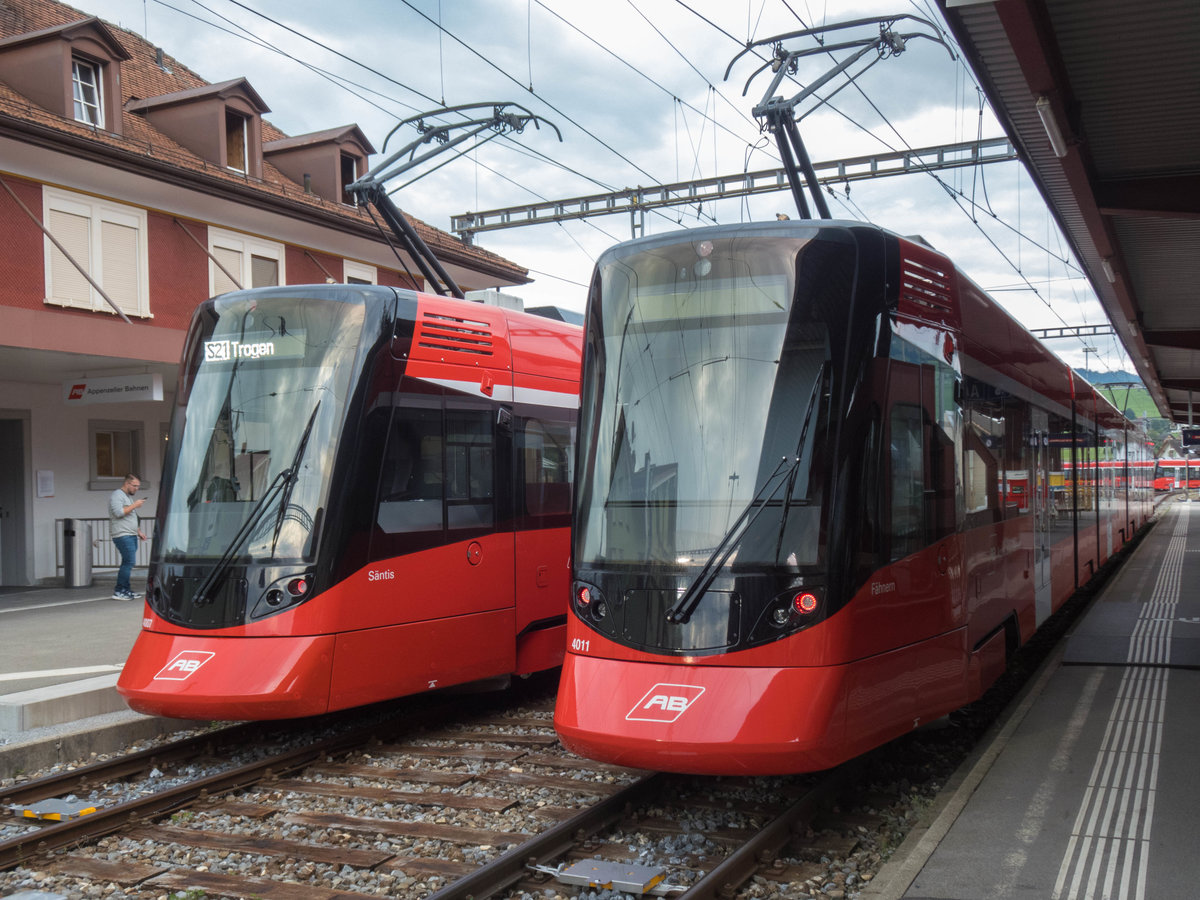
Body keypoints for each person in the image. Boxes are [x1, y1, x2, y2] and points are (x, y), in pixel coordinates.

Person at [109, 474, 148, 600]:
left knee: (128, 562)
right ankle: (119, 591)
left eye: (138, 486)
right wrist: (135, 505)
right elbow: (119, 512)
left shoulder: (127, 497)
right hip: (122, 534)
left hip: (130, 534)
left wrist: (138, 531)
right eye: (135, 486)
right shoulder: (117, 495)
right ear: (127, 483)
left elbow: (130, 517)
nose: (136, 489)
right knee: (129, 562)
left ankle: (126, 589)